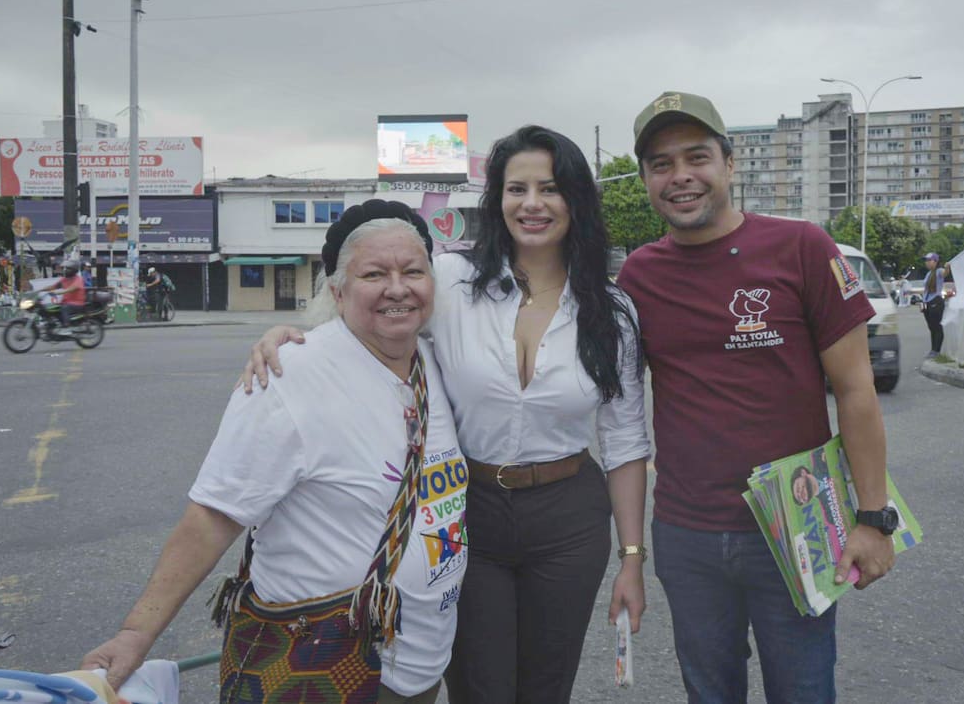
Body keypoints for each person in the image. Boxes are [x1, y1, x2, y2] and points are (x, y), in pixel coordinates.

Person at [243, 125, 650, 704]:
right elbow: (379, 323)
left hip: (569, 519)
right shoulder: (455, 281)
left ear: (576, 199)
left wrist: (632, 559)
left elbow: (626, 438)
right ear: (497, 198)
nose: (532, 204)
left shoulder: (612, 311)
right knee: (478, 685)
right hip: (468, 512)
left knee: (546, 685)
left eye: (550, 189)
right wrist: (295, 338)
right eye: (517, 189)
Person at [82, 202, 467, 703]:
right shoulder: (289, 377)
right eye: (374, 274)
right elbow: (212, 516)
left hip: (423, 663)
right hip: (330, 667)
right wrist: (136, 633)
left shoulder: (434, 361)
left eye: (413, 271)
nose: (398, 288)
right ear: (337, 290)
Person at [617, 91, 894, 703]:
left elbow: (855, 391)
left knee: (803, 690)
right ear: (645, 179)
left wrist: (873, 518)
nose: (680, 176)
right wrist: (631, 551)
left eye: (697, 157)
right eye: (661, 164)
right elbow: (619, 412)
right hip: (687, 534)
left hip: (796, 525)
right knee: (709, 693)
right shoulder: (638, 276)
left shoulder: (802, 247)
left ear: (730, 163)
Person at [920, 251, 948, 357]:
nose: (926, 263)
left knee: (937, 326)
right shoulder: (928, 274)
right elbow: (925, 289)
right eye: (925, 261)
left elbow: (945, 273)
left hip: (936, 301)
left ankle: (936, 350)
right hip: (926, 302)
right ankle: (933, 350)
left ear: (935, 261)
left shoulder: (939, 271)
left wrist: (947, 267)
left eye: (929, 260)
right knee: (931, 327)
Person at [50, 258, 87, 334]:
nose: (65, 270)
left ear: (73, 270)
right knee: (52, 308)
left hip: (77, 303)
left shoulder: (78, 279)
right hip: (66, 302)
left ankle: (67, 327)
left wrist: (60, 292)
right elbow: (53, 286)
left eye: (68, 268)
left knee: (65, 307)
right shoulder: (65, 279)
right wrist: (39, 290)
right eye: (64, 268)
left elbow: (73, 288)